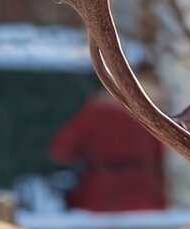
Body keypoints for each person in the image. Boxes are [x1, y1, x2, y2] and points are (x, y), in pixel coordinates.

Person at [50, 67, 167, 212]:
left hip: (102, 195)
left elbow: (61, 151)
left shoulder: (96, 112)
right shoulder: (153, 115)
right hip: (146, 193)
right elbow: (164, 152)